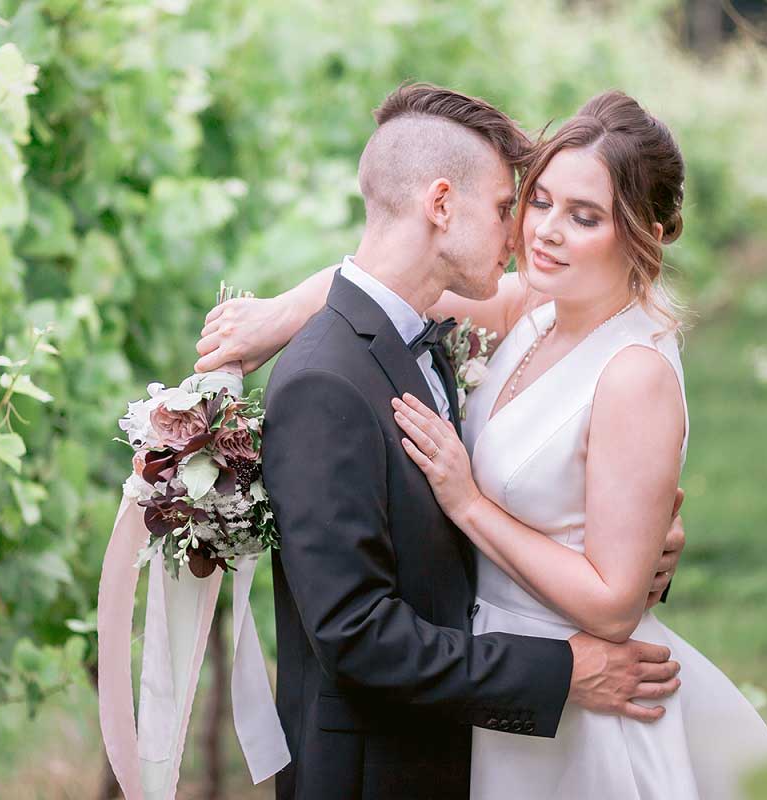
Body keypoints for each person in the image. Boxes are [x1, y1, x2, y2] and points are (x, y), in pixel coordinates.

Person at [197, 83, 698, 800]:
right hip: (494, 698)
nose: (540, 231)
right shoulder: (532, 309)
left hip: (568, 699)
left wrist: (478, 505)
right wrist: (282, 313)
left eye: (584, 216)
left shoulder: (629, 364)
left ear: (645, 232)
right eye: (535, 202)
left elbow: (610, 589)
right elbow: (383, 275)